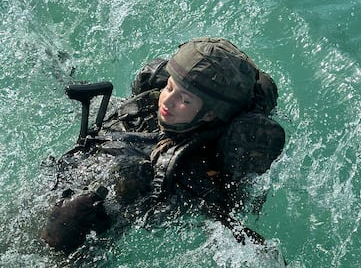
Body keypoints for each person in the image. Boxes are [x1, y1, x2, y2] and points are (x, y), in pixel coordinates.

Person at [41, 37, 285, 254]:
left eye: (184, 100)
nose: (168, 100)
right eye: (169, 87)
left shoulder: (194, 170)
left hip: (92, 222)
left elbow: (224, 222)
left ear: (209, 114)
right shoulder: (150, 108)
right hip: (71, 178)